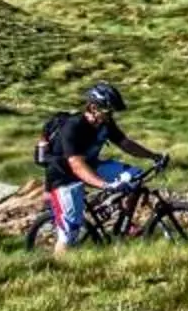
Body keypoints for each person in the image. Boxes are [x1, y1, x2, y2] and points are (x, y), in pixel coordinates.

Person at [43, 83, 167, 255]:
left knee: (135, 176)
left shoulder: (105, 124)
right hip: (64, 176)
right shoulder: (73, 126)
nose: (111, 115)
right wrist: (104, 185)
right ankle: (58, 272)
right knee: (69, 232)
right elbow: (77, 165)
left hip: (91, 166)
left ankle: (122, 227)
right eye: (108, 111)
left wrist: (153, 156)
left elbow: (125, 143)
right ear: (93, 108)